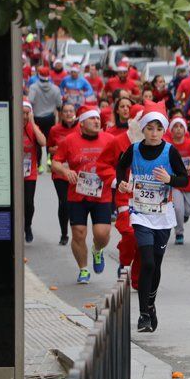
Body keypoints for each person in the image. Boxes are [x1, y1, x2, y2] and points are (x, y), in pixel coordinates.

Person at [115, 101, 190, 331]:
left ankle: (151, 303)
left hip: (162, 215)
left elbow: (184, 179)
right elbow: (120, 167)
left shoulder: (170, 151)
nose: (154, 133)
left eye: (158, 128)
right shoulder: (135, 149)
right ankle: (143, 315)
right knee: (146, 261)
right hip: (140, 213)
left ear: (163, 130)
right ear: (144, 129)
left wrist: (169, 180)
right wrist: (122, 183)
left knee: (156, 265)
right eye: (150, 128)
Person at [51, 105, 115, 284]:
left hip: (102, 194)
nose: (96, 121)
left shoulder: (109, 139)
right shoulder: (69, 141)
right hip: (77, 195)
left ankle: (97, 249)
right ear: (82, 123)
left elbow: (122, 158)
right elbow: (55, 162)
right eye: (92, 119)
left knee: (102, 233)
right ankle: (83, 269)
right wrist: (65, 172)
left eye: (97, 118)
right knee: (79, 233)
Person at [99, 103, 145, 290]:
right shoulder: (118, 142)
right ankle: (125, 262)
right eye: (143, 123)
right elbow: (103, 164)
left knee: (144, 240)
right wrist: (117, 181)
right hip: (125, 197)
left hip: (146, 199)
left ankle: (136, 277)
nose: (146, 129)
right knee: (130, 234)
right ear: (133, 123)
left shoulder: (157, 144)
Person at [48, 103, 78, 245]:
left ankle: (77, 231)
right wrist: (53, 150)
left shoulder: (81, 128)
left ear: (75, 113)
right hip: (60, 172)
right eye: (65, 111)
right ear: (61, 114)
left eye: (71, 111)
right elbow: (49, 148)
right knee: (64, 202)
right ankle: (64, 233)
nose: (68, 114)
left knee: (74, 204)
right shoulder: (55, 130)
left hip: (76, 173)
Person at [165, 113, 190, 245]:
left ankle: (183, 216)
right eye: (175, 127)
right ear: (171, 131)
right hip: (176, 182)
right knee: (178, 208)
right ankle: (179, 233)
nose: (178, 129)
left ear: (185, 130)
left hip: (189, 181)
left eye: (181, 126)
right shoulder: (168, 146)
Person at [22, 99, 48, 243]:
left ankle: (28, 226)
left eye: (27, 113)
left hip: (29, 171)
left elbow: (43, 142)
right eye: (23, 113)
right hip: (15, 171)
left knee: (28, 203)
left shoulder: (33, 127)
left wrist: (32, 123)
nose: (24, 116)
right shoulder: (13, 124)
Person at [28, 66, 62, 150]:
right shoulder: (56, 89)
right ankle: (49, 159)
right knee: (49, 140)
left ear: (39, 75)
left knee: (37, 140)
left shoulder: (33, 87)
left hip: (37, 118)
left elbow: (30, 102)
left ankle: (38, 161)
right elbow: (59, 105)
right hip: (50, 118)